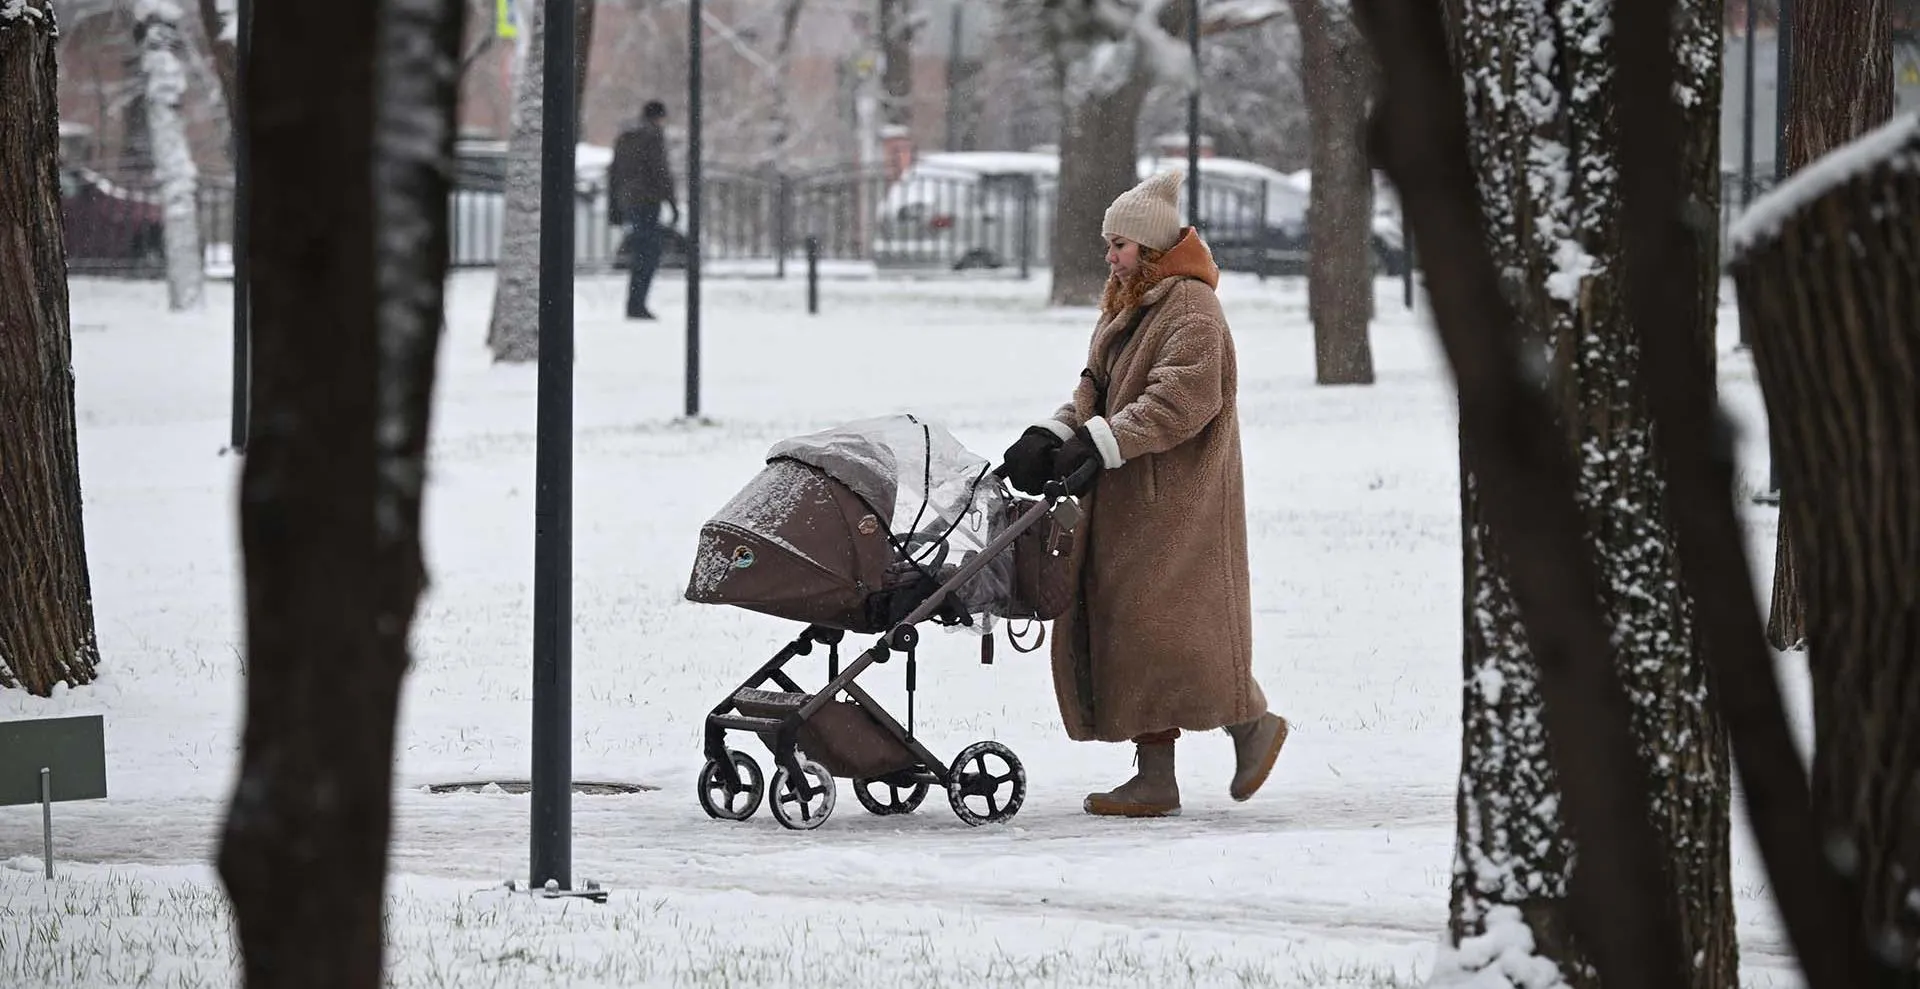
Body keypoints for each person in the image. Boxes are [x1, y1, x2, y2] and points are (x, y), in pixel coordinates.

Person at [1001, 170, 1290, 818]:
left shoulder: (1192, 309)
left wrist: (1100, 442)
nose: (1110, 257)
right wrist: (1053, 434)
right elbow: (1096, 389)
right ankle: (1162, 773)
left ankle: (1248, 723)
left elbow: (1181, 400)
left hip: (1175, 500)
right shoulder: (1131, 302)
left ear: (1152, 247)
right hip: (1131, 494)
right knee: (1134, 631)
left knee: (1167, 633)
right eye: (1109, 245)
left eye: (1120, 245)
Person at [608, 100, 679, 320]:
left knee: (639, 251)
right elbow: (660, 171)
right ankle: (637, 304)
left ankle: (634, 302)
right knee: (648, 253)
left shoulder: (626, 138)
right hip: (648, 200)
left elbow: (614, 173)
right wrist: (672, 202)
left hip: (628, 201)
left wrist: (615, 207)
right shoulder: (652, 137)